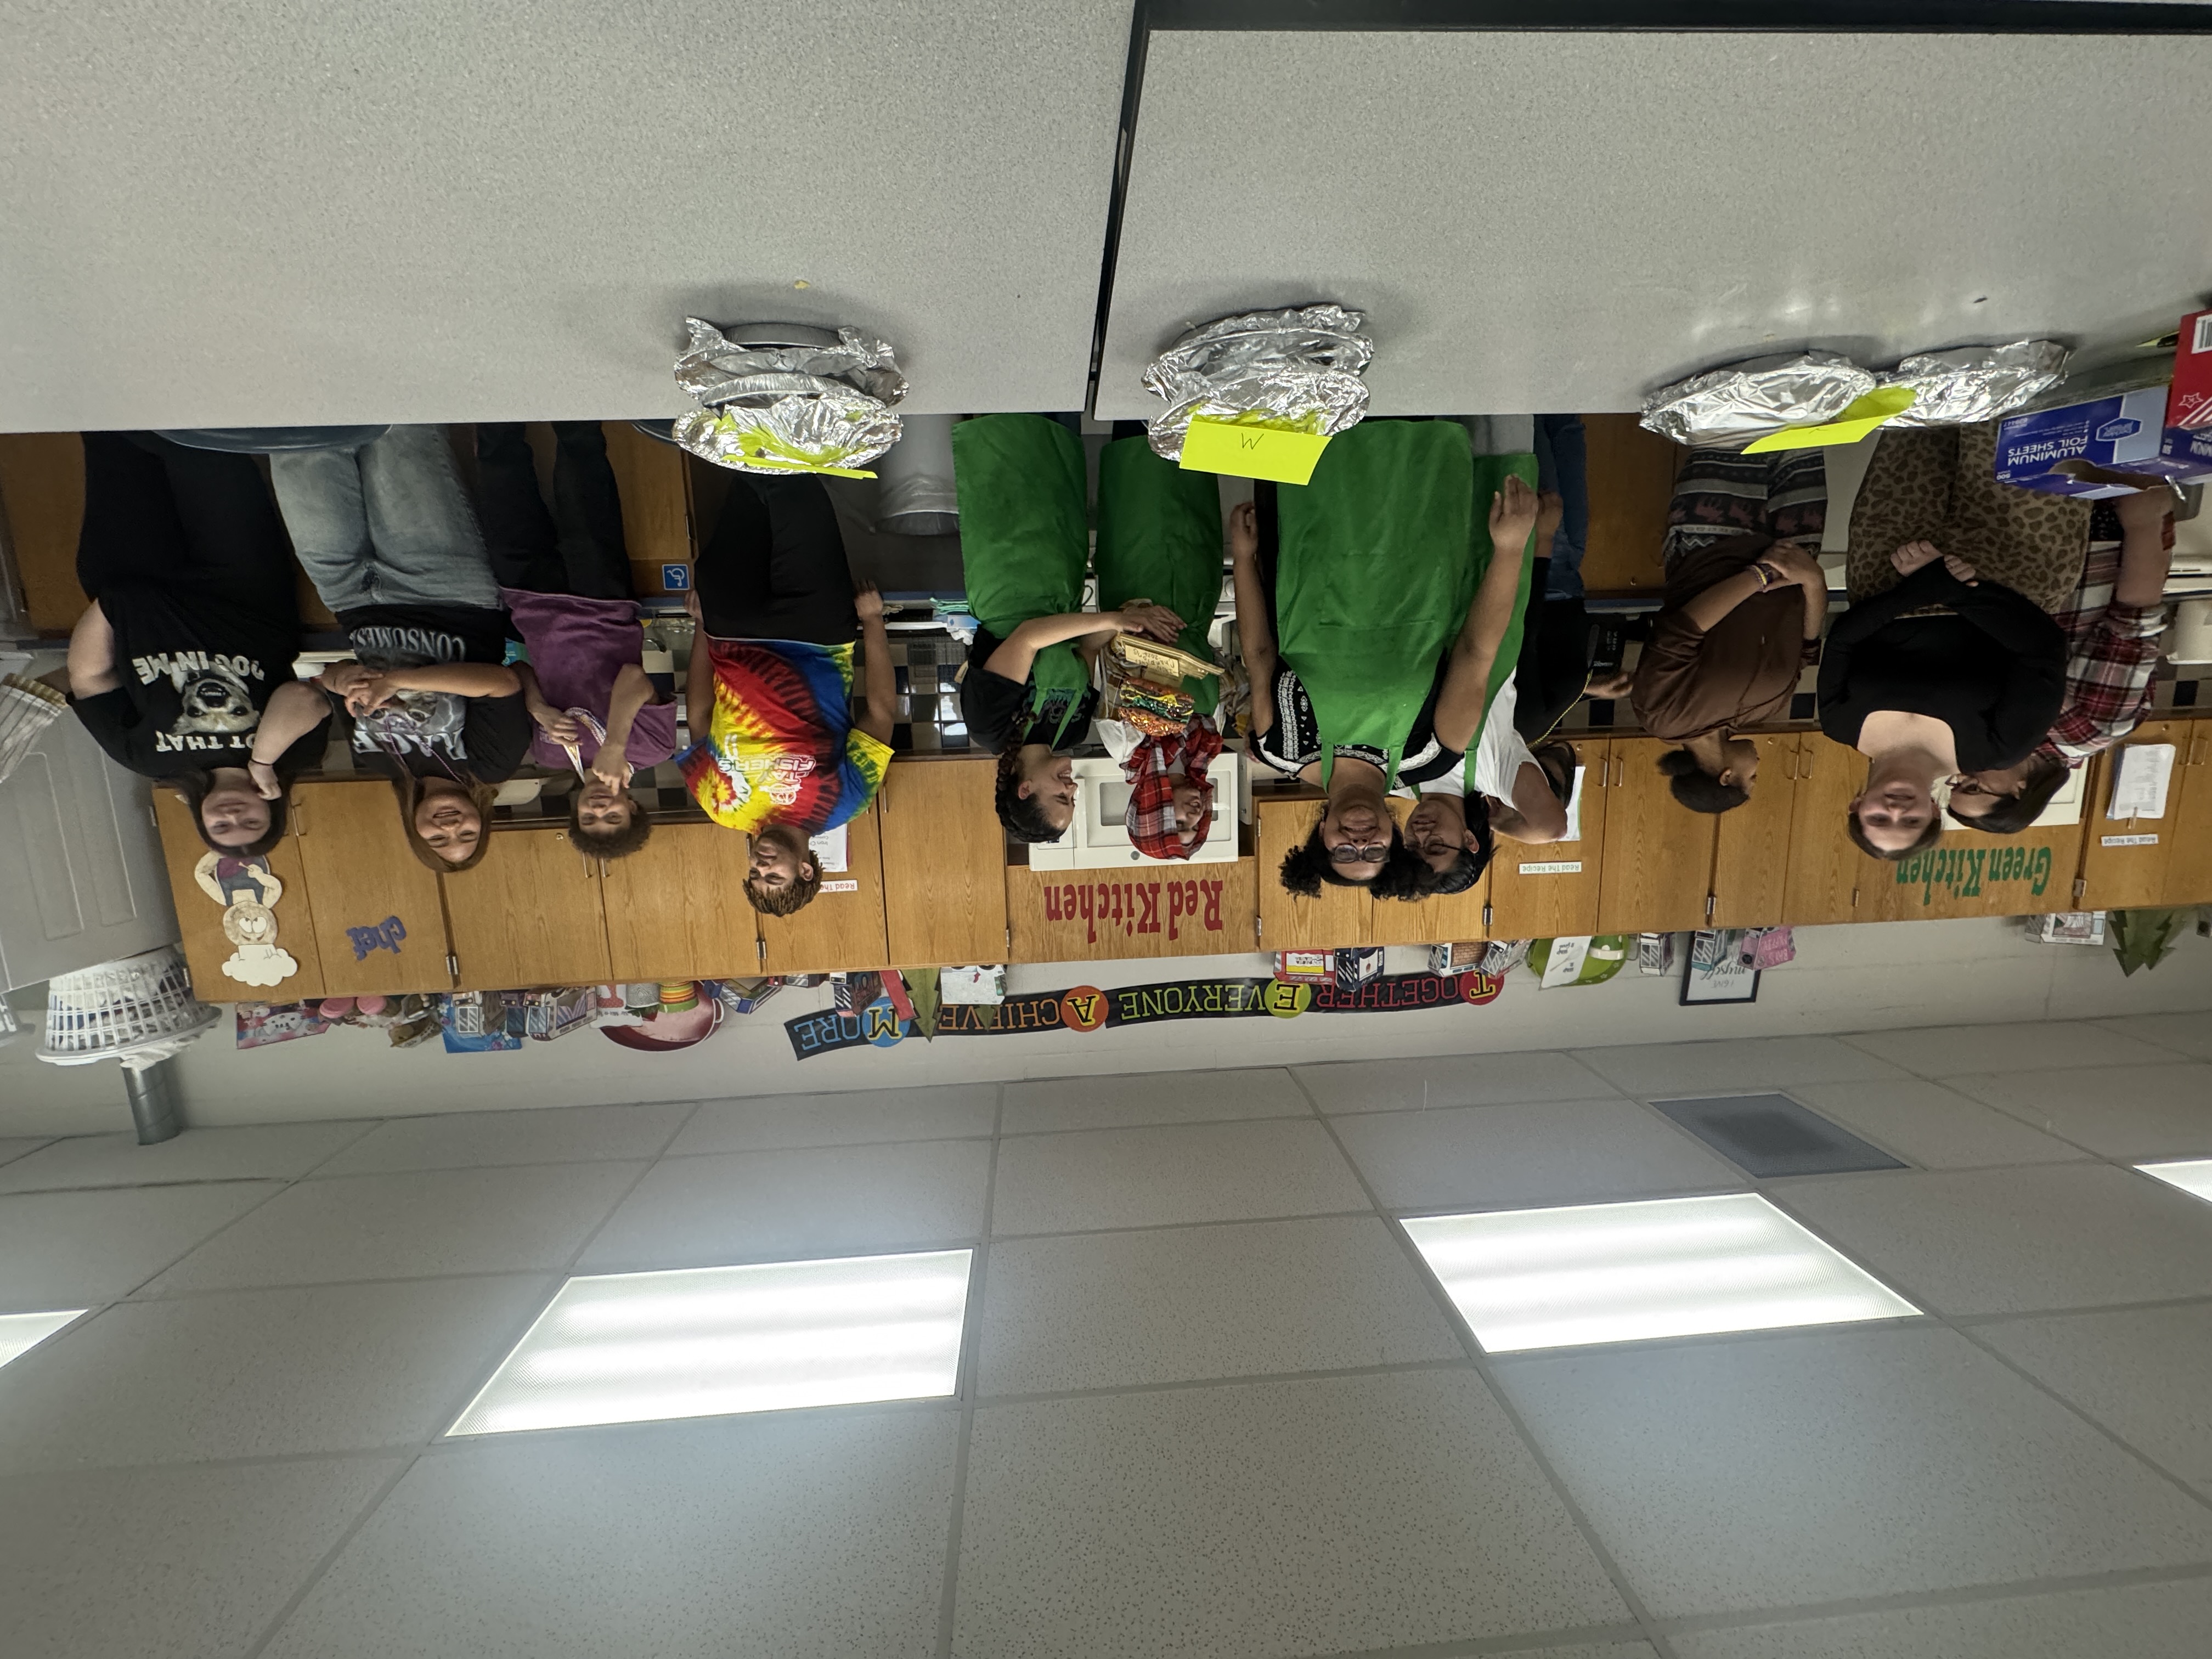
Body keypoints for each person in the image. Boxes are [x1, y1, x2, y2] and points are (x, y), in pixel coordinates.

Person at [1232, 418, 1537, 898]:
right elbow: (1476, 652)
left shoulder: (1280, 750)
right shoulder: (1432, 754)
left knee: (1317, 412)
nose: (1359, 844)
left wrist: (1243, 559)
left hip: (1314, 542)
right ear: (1394, 837)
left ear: (1321, 834)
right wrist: (1510, 548)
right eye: (1375, 853)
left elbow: (1259, 653)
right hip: (1416, 538)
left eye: (1343, 853)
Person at [270, 426, 528, 871]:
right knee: (400, 436)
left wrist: (343, 680)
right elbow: (500, 683)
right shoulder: (489, 766)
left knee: (301, 450)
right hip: (445, 589)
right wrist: (399, 680)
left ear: (414, 828)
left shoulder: (377, 759)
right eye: (467, 834)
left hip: (351, 596)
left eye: (438, 839)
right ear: (482, 820)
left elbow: (334, 679)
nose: (450, 827)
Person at [63, 432, 330, 856]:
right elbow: (304, 698)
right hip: (243, 584)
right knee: (203, 447)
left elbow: (89, 679)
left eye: (221, 827)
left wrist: (110, 605)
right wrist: (261, 762)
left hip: (136, 580)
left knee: (112, 443)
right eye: (251, 822)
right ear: (272, 810)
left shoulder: (147, 760)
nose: (233, 815)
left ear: (201, 820)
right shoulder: (296, 756)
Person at [950, 414, 1184, 843]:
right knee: (1059, 429)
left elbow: (1028, 638)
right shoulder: (1072, 731)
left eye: (1061, 797)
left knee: (1010, 423)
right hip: (1060, 565)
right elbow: (1087, 650)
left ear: (1025, 789)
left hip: (1009, 559)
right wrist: (1135, 629)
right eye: (1073, 800)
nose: (1072, 789)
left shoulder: (989, 725)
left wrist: (1113, 620)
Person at [678, 468, 894, 915]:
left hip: (731, 628)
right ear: (806, 869)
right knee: (796, 484)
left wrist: (703, 628)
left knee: (746, 479)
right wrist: (874, 622)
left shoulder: (720, 808)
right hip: (817, 631)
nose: (761, 867)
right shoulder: (845, 804)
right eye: (774, 876)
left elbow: (698, 714)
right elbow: (880, 714)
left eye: (754, 875)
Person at [475, 421, 675, 861]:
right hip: (600, 597)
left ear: (575, 810)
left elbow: (519, 672)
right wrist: (614, 745)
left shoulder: (547, 752)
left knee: (499, 469)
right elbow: (634, 678)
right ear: (632, 807)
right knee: (580, 462)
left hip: (528, 598)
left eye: (588, 819)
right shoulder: (654, 749)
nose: (599, 809)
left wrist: (538, 709)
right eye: (613, 817)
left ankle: (492, 392)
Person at [1948, 487, 2177, 833]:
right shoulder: (2086, 731)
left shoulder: (1994, 734)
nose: (1965, 774)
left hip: (2016, 547)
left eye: (1957, 784)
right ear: (2020, 790)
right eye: (1974, 788)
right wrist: (2143, 523)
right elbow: (2133, 620)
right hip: (2087, 541)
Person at [1817, 541, 2065, 859]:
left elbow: (1841, 641)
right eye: (1912, 822)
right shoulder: (1999, 750)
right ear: (1934, 812)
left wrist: (1917, 589)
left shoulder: (1838, 725)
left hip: (1887, 569)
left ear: (1857, 806)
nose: (1896, 811)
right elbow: (2043, 650)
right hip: (2005, 567)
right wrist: (1951, 588)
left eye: (1879, 819)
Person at [1389, 476, 1570, 892]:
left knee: (1423, 483)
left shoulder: (1394, 780)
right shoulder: (1497, 774)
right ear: (1469, 841)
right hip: (1488, 583)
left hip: (1421, 599)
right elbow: (1551, 828)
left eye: (1413, 845)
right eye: (1437, 846)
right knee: (1488, 471)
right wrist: (1496, 821)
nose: (1422, 834)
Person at [1632, 448, 1830, 814]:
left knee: (1736, 428)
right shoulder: (1764, 711)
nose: (1757, 767)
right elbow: (1807, 649)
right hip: (1796, 546)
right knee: (1805, 435)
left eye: (1752, 777)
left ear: (1727, 776)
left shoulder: (1664, 718)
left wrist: (1759, 576)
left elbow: (1681, 632)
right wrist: (1814, 581)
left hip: (1714, 543)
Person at [1511, 415, 1633, 739]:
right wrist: (1589, 689)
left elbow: (1522, 638)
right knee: (1566, 434)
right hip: (1567, 578)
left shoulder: (1521, 729)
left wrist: (1543, 540)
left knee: (1530, 431)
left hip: (1543, 573)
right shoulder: (1533, 730)